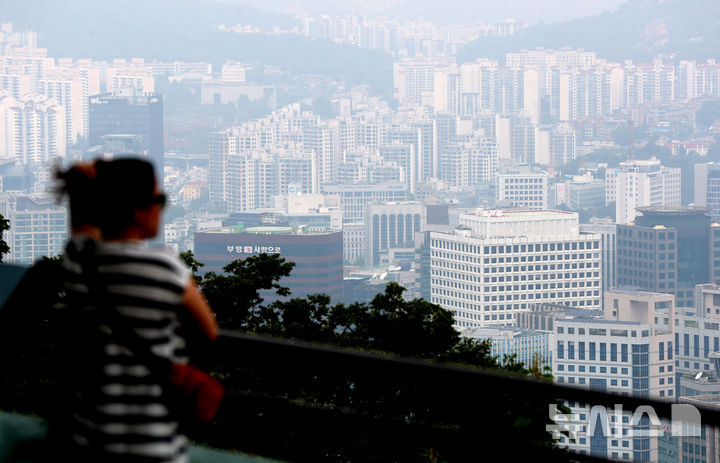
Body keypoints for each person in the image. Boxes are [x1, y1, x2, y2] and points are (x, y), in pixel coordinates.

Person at [55, 158, 218, 463]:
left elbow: (80, 228)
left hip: (89, 443)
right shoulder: (164, 266)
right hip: (153, 448)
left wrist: (85, 185)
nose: (161, 208)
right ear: (137, 209)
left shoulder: (78, 261)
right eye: (159, 199)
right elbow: (208, 331)